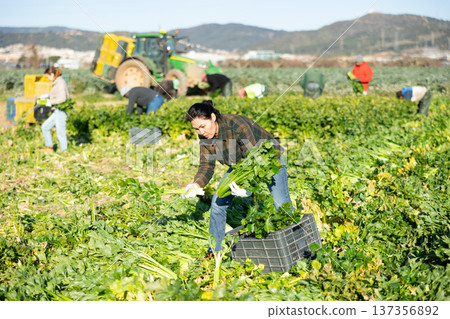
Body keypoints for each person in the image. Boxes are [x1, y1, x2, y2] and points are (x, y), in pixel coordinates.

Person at [183, 100, 294, 255]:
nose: (201, 132)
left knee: (281, 203)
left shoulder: (236, 125)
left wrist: (249, 188)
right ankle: (214, 251)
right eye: (196, 129)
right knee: (217, 204)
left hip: (268, 159)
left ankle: (293, 244)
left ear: (213, 117)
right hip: (240, 165)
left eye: (203, 126)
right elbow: (206, 166)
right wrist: (196, 184)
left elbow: (256, 159)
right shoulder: (204, 137)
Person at [40, 67, 70, 153]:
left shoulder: (60, 82)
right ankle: (50, 148)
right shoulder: (56, 82)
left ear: (52, 74)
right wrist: (46, 95)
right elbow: (55, 93)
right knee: (45, 127)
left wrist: (50, 102)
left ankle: (64, 152)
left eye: (47, 77)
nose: (47, 79)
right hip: (57, 110)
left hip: (61, 110)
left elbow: (63, 98)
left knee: (60, 132)